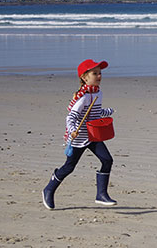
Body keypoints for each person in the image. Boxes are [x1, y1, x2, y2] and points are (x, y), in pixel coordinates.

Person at [42, 59, 117, 210]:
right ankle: (49, 189)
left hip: (92, 136)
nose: (99, 76)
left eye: (100, 73)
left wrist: (106, 112)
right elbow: (71, 117)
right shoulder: (82, 97)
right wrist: (72, 130)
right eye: (94, 73)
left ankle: (101, 194)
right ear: (84, 77)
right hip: (78, 138)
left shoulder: (98, 93)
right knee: (69, 167)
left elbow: (93, 113)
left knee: (107, 160)